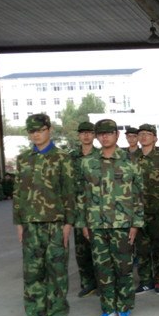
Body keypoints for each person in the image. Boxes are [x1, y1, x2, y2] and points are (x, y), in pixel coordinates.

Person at [76, 119, 144, 316]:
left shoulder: (129, 161)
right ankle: (108, 310)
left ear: (117, 135)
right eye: (101, 134)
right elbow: (81, 195)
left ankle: (124, 308)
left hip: (122, 224)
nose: (104, 137)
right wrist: (83, 223)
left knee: (123, 268)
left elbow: (138, 194)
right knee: (102, 269)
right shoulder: (87, 162)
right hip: (96, 225)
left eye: (109, 133)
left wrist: (136, 224)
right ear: (97, 136)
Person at [13, 114, 75, 316]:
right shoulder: (23, 159)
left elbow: (69, 192)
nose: (36, 135)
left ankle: (56, 315)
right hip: (30, 224)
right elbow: (18, 192)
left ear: (49, 130)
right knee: (32, 272)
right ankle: (37, 315)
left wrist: (68, 223)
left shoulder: (62, 158)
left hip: (55, 224)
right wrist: (18, 222)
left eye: (40, 130)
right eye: (32, 131)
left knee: (57, 270)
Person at [134, 124, 159, 295]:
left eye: (148, 134)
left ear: (155, 138)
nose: (144, 137)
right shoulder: (131, 158)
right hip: (138, 211)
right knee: (141, 249)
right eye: (141, 134)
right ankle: (145, 280)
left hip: (158, 211)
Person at [69, 121, 98, 298]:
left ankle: (102, 282)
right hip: (78, 209)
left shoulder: (100, 155)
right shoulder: (71, 157)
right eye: (83, 133)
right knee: (81, 249)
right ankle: (87, 283)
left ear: (94, 135)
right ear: (78, 135)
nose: (86, 136)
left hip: (97, 207)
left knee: (99, 248)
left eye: (89, 132)